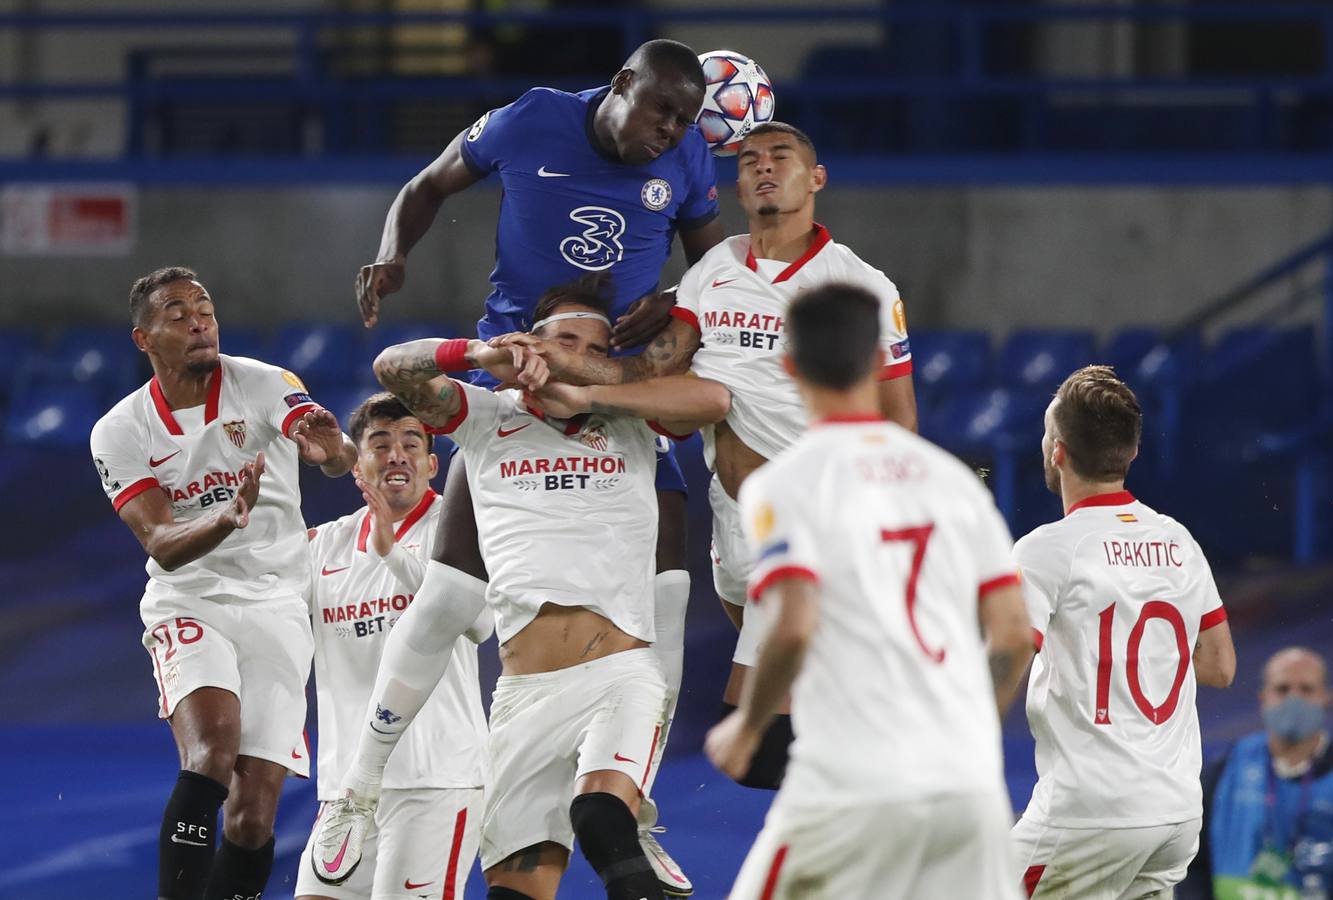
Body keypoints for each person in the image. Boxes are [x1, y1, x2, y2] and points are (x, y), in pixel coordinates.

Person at [347, 41, 725, 889]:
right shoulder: (532, 118)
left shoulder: (688, 155)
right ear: (620, 86)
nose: (670, 133)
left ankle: (633, 802)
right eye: (660, 112)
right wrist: (394, 251)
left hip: (616, 387)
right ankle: (358, 785)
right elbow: (428, 186)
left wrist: (677, 303)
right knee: (446, 594)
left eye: (684, 121)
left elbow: (714, 270)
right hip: (514, 378)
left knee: (667, 599)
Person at [497, 120, 917, 788]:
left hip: (811, 525)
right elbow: (655, 373)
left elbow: (900, 421)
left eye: (782, 157)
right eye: (749, 160)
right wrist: (573, 370)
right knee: (807, 713)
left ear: (816, 179)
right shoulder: (713, 271)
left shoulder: (861, 286)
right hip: (733, 529)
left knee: (761, 743)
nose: (763, 168)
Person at [320, 274, 730, 900]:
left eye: (595, 349)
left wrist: (603, 387)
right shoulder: (485, 418)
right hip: (520, 697)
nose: (577, 355)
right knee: (513, 891)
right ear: (528, 348)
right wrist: (479, 356)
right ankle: (360, 786)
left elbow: (714, 400)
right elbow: (393, 366)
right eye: (563, 341)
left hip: (619, 675)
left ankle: (632, 810)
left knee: (600, 819)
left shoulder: (636, 423)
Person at [702, 282, 1033, 897]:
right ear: (878, 362)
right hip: (966, 782)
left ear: (789, 366)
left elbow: (794, 623)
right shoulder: (954, 481)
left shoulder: (786, 483)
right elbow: (1013, 635)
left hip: (850, 779)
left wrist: (747, 728)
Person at [89, 266, 357, 900]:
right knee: (212, 750)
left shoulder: (263, 383)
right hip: (191, 599)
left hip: (278, 602)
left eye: (204, 309)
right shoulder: (120, 431)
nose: (198, 321)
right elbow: (160, 543)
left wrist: (333, 450)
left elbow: (328, 444)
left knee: (253, 811)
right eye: (178, 313)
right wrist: (224, 518)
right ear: (143, 338)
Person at [1010, 365, 1238, 900]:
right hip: (1175, 814)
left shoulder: (1047, 549)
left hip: (1091, 814)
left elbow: (1008, 651)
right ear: (1131, 453)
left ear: (1057, 452)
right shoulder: (1177, 540)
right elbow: (1220, 667)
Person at [295, 392, 494, 900]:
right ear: (357, 463)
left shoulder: (460, 530)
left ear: (431, 463)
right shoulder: (322, 546)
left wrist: (391, 556)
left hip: (436, 781)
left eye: (411, 442)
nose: (396, 454)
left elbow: (480, 623)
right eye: (379, 444)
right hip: (345, 792)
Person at [1181, 647, 1333, 900]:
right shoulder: (1225, 771)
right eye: (1282, 689)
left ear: (1326, 698)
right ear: (1263, 699)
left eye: (1306, 689)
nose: (1294, 699)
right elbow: (1191, 863)